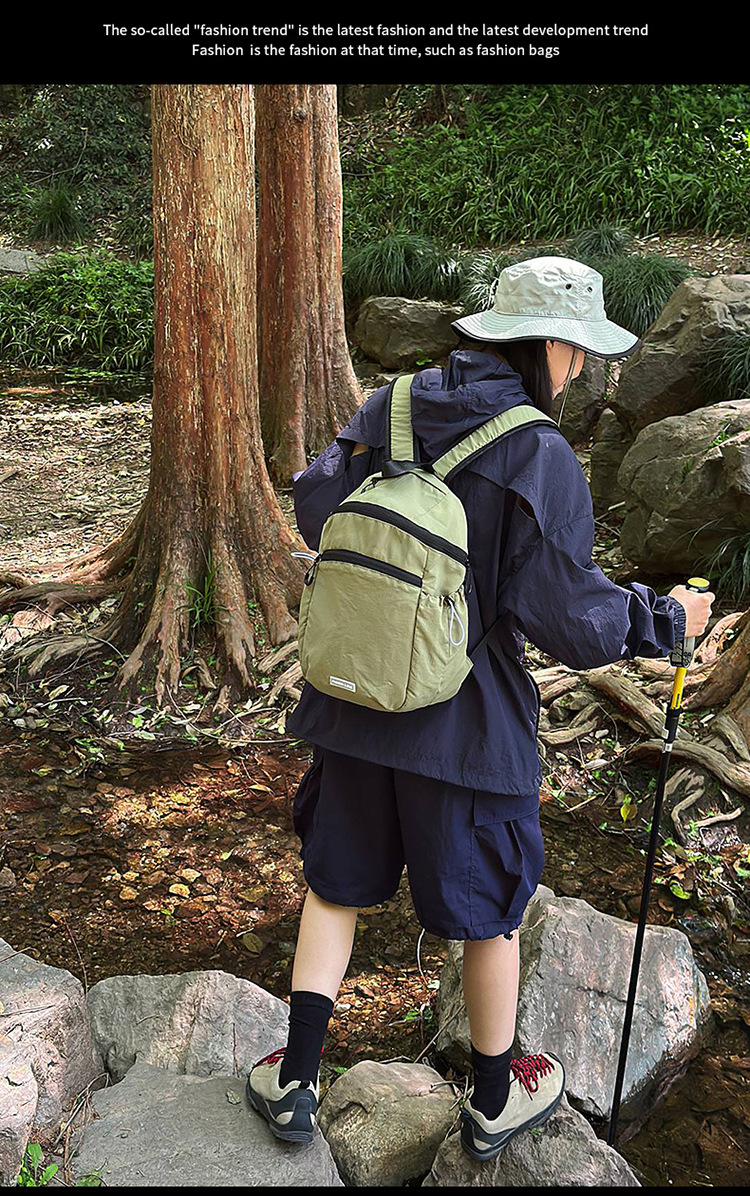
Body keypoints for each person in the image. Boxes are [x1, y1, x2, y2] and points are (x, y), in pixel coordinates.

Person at [246, 257, 714, 1160]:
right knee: (491, 909)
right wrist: (667, 620)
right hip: (467, 720)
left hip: (354, 701)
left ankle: (297, 1079)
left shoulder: (393, 407)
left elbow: (314, 508)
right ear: (550, 347)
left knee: (336, 885)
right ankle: (496, 1097)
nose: (581, 369)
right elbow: (571, 619)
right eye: (578, 352)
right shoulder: (539, 453)